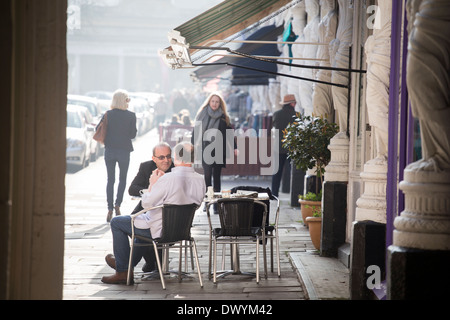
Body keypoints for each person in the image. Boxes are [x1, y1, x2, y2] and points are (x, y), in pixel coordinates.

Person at [101, 142, 206, 284]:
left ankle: (123, 271)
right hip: (182, 231)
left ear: (175, 157)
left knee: (117, 222)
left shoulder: (167, 179)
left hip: (159, 231)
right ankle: (126, 264)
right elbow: (197, 205)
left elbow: (147, 203)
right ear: (193, 159)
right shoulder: (200, 180)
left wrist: (152, 183)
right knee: (139, 226)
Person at [127, 142, 175, 272]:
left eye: (168, 156)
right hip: (148, 209)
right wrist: (150, 189)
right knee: (132, 223)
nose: (166, 160)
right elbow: (132, 189)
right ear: (154, 159)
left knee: (143, 231)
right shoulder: (146, 167)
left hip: (169, 217)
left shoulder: (176, 169)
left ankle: (127, 266)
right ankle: (151, 261)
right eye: (161, 157)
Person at [192, 92, 237, 193]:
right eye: (212, 101)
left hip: (219, 149)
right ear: (209, 102)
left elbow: (229, 134)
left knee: (216, 176)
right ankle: (207, 200)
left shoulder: (223, 117)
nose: (214, 103)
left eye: (217, 102)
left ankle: (217, 204)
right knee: (207, 175)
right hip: (205, 148)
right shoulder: (202, 114)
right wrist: (192, 145)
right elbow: (196, 130)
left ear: (220, 104)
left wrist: (235, 147)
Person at [103, 89, 137, 222]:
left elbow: (99, 129)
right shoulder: (131, 115)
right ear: (125, 101)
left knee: (110, 180)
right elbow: (133, 135)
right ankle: (118, 205)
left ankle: (109, 208)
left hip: (110, 150)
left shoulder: (108, 114)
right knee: (122, 179)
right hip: (124, 151)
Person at [271, 94, 297, 197]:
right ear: (292, 103)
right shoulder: (297, 115)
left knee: (277, 171)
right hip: (292, 147)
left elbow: (273, 126)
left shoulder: (276, 114)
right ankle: (294, 194)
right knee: (293, 172)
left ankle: (274, 193)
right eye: (294, 103)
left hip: (278, 147)